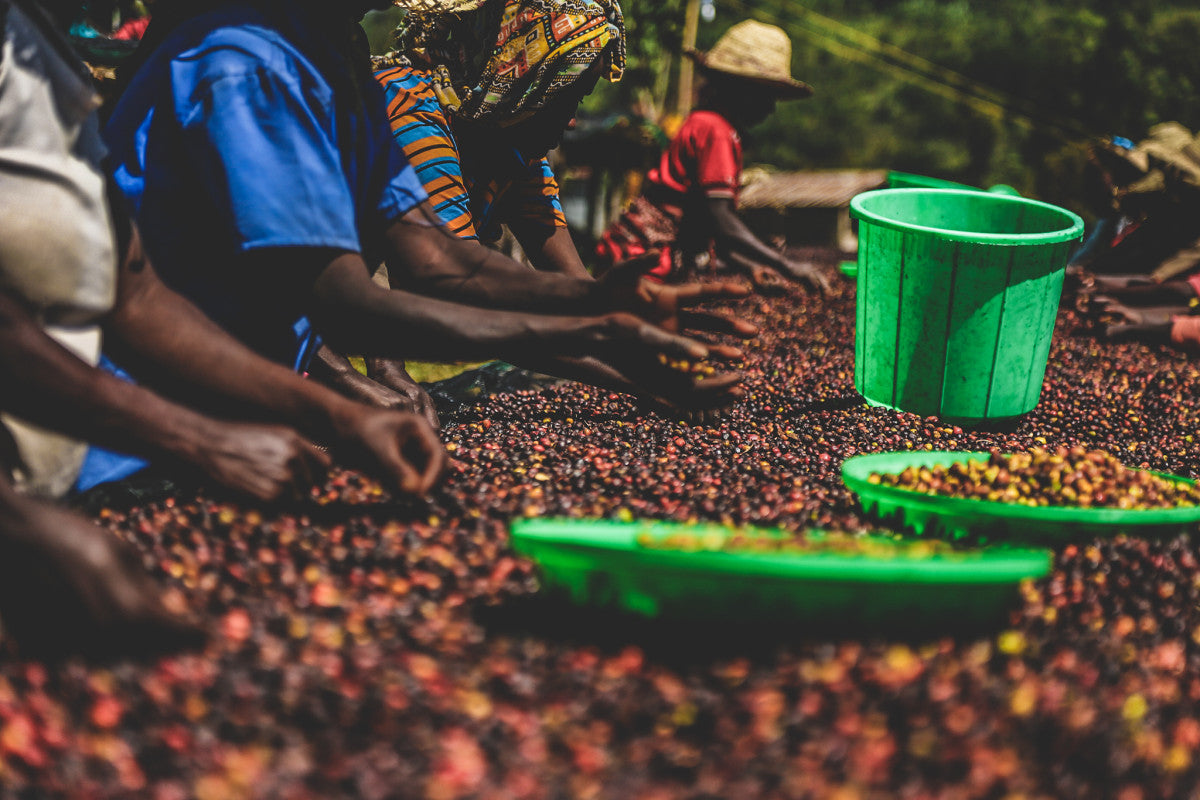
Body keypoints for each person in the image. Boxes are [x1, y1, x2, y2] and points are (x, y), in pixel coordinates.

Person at [102, 0, 747, 445]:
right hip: (155, 397)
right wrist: (605, 331)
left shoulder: (338, 60)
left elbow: (437, 261)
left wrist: (607, 306)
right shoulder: (249, 63)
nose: (572, 117)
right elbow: (337, 298)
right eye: (567, 92)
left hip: (234, 388)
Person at [0, 0, 435, 656]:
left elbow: (135, 297)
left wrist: (338, 417)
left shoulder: (47, 57)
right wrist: (196, 439)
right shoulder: (233, 67)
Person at [596, 20, 829, 293]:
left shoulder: (708, 124)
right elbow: (722, 221)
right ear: (739, 89)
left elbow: (707, 223)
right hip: (642, 261)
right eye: (766, 95)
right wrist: (788, 266)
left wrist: (750, 267)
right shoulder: (716, 130)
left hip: (638, 256)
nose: (771, 108)